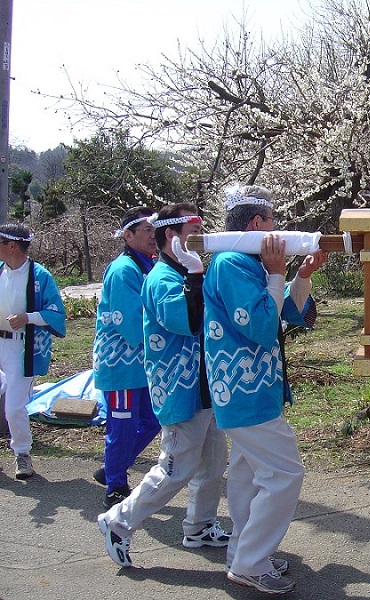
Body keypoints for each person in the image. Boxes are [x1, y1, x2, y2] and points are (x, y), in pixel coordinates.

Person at [203, 184, 327, 595]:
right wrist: (277, 274)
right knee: (285, 473)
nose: (278, 228)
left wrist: (299, 276)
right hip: (245, 392)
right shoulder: (231, 263)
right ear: (257, 224)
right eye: (273, 221)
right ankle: (251, 561)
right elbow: (260, 326)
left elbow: (284, 312)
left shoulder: (242, 261)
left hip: (250, 390)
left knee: (248, 475)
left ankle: (243, 550)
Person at [98, 202, 230, 568]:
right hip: (178, 388)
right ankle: (119, 520)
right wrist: (197, 275)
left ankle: (199, 526)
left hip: (202, 386)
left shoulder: (180, 272)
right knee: (176, 468)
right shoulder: (161, 278)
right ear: (172, 236)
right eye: (193, 235)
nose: (199, 241)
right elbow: (186, 321)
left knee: (213, 461)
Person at [93, 207, 162, 508]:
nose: (151, 235)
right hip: (120, 365)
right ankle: (115, 485)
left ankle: (112, 468)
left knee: (152, 420)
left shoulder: (147, 264)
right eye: (145, 230)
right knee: (121, 424)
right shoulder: (124, 270)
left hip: (141, 365)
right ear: (127, 235)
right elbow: (132, 324)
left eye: (153, 230)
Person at [0, 224, 66, 480]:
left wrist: (28, 317)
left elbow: (57, 313)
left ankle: (21, 453)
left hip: (21, 346)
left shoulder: (39, 276)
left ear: (11, 246)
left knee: (15, 407)